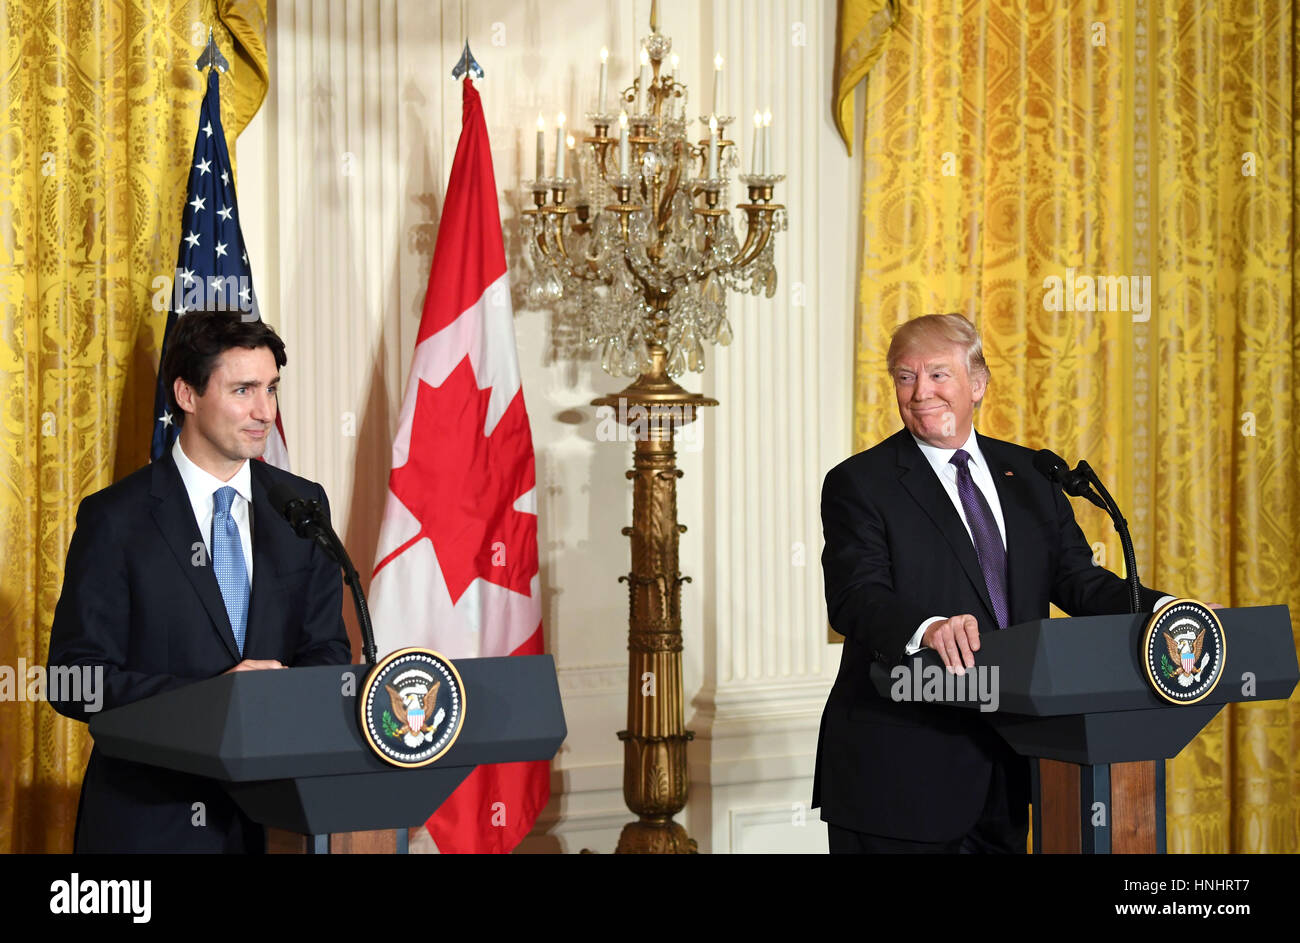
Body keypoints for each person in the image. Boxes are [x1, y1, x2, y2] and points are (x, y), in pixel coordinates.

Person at [813, 313, 1172, 853]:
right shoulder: (859, 483)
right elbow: (854, 596)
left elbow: (1079, 582)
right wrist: (928, 627)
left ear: (977, 384)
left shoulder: (1031, 474)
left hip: (1012, 767)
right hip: (898, 775)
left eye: (938, 375)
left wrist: (1169, 611)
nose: (920, 393)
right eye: (905, 377)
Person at [47, 311, 352, 853]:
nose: (265, 412)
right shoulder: (116, 519)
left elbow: (326, 647)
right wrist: (216, 696)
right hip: (147, 824)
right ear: (187, 394)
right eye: (243, 390)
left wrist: (286, 698)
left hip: (275, 819)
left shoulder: (301, 506)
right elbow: (73, 679)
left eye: (271, 389)